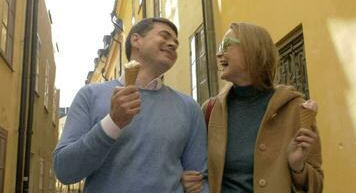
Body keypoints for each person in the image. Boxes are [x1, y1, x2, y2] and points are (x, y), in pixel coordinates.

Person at [53, 17, 208, 193]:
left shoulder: (189, 107)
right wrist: (113, 122)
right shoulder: (90, 95)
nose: (172, 44)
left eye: (176, 43)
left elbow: (200, 181)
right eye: (165, 36)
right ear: (136, 40)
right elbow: (64, 171)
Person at [182, 22, 323, 193]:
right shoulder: (210, 110)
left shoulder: (295, 108)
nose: (219, 53)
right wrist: (188, 180)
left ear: (253, 50)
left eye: (226, 45)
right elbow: (197, 169)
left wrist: (297, 167)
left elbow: (316, 186)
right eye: (220, 46)